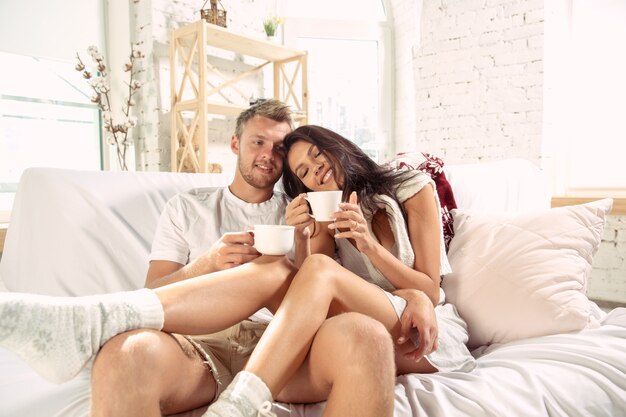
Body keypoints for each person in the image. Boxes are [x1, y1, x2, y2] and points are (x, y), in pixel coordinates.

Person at [0, 100, 432, 417]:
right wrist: (204, 265)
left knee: (363, 334)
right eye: (257, 142)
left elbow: (329, 285)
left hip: (294, 348)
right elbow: (154, 294)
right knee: (124, 353)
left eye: (281, 149)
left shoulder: (307, 204)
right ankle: (99, 321)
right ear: (235, 144)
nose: (268, 154)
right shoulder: (186, 208)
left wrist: (307, 234)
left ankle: (92, 318)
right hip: (198, 346)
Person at [202, 125, 476, 417]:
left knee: (322, 269)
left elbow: (430, 291)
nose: (315, 169)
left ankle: (240, 403)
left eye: (317, 154)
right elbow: (310, 296)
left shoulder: (412, 187)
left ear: (337, 145)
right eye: (304, 172)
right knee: (280, 272)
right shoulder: (326, 216)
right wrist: (303, 237)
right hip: (369, 336)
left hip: (421, 328)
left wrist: (368, 245)